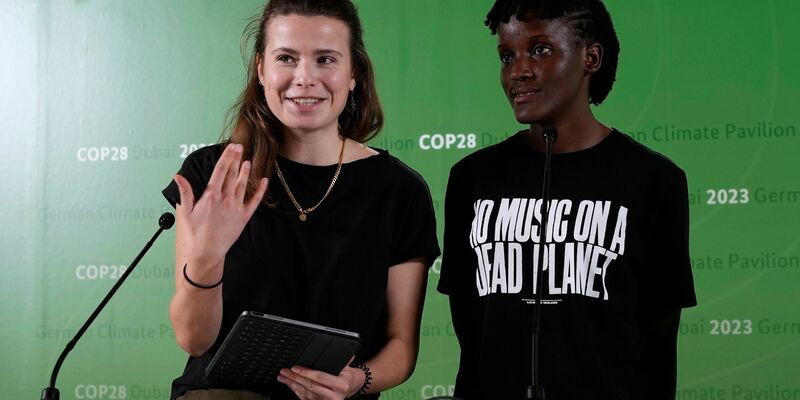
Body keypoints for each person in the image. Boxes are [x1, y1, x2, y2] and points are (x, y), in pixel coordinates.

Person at [162, 1, 440, 399]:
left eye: (325, 59)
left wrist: (355, 380)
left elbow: (400, 346)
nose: (305, 78)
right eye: (286, 58)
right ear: (261, 70)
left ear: (354, 75)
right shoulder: (214, 173)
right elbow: (193, 340)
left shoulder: (399, 191)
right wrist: (206, 257)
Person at [437, 1, 697, 399]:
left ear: (590, 57)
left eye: (540, 50)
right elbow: (471, 329)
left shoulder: (654, 182)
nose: (518, 71)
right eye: (507, 56)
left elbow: (660, 343)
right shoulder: (472, 179)